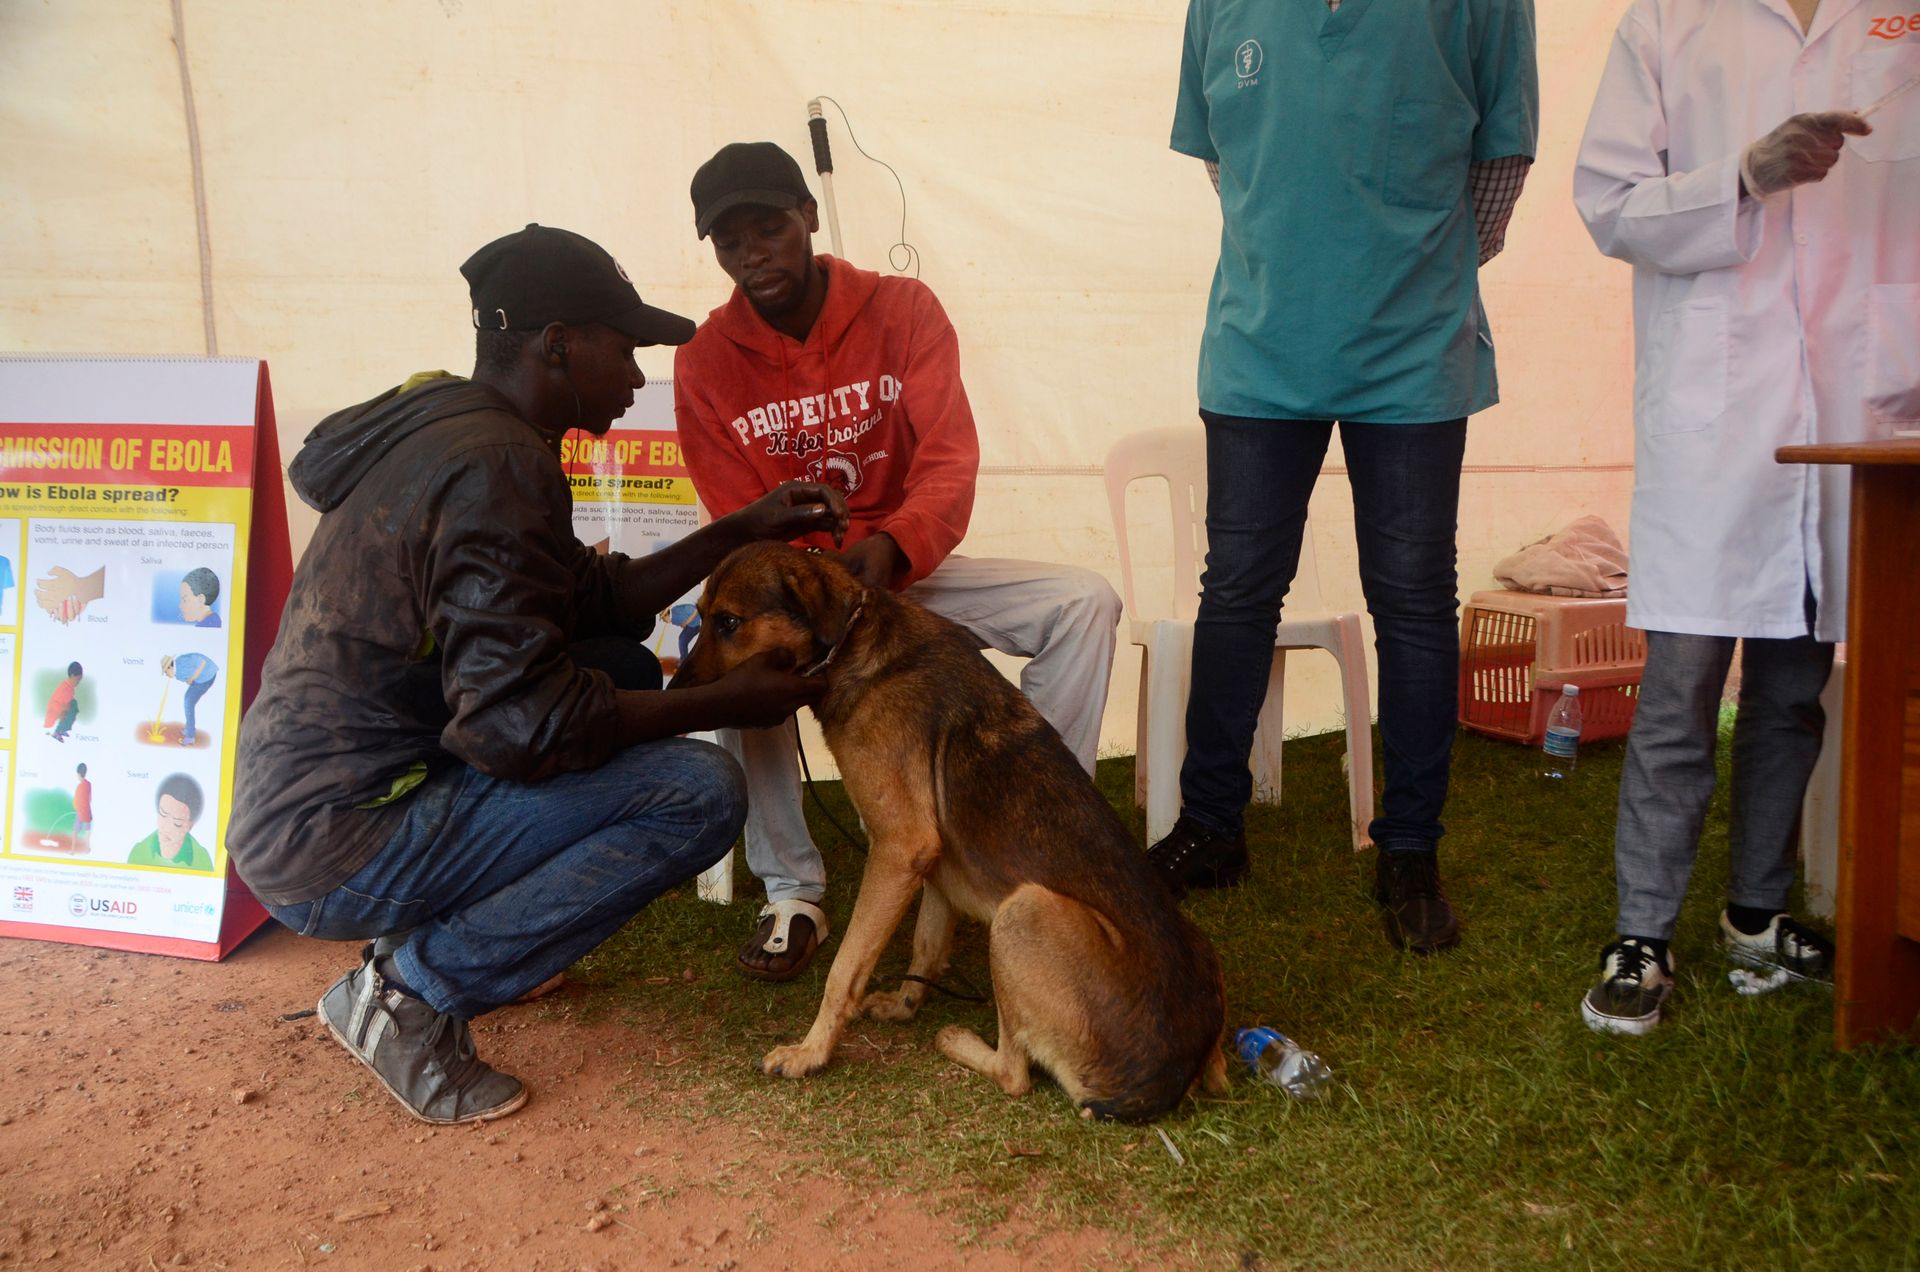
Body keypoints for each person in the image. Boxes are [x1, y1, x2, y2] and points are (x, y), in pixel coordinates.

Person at [228, 223, 852, 1125]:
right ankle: (407, 991)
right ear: (559, 345)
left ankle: (432, 938)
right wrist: (721, 702)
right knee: (697, 791)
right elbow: (520, 728)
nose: (639, 377)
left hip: (297, 807)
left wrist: (741, 528)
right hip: (337, 843)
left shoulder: (454, 424)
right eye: (627, 349)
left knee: (617, 659)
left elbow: (587, 598)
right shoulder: (500, 466)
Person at [673, 141, 1124, 981]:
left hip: (904, 569)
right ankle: (792, 890)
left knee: (1083, 602)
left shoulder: (903, 308)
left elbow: (949, 457)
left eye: (768, 227)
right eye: (729, 242)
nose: (752, 254)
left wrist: (898, 542)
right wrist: (821, 581)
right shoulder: (703, 362)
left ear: (808, 216)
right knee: (735, 659)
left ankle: (1040, 833)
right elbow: (738, 517)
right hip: (803, 591)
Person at [1158, 0, 1539, 953]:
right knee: (1238, 589)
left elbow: (1503, 154)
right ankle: (1211, 827)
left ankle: (1409, 848)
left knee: (1412, 597)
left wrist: (1419, 264)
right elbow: (1225, 163)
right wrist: (1299, 256)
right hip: (1259, 341)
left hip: (1413, 345)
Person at [1571, 0, 1912, 1033]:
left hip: (1858, 390)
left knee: (1798, 682)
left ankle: (1758, 916)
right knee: (1680, 687)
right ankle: (1643, 933)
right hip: (1720, 402)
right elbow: (1609, 205)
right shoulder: (1671, 20)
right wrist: (1740, 180)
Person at [128, 774, 213, 871]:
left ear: (189, 826)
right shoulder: (139, 852)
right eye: (163, 814)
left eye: (177, 823)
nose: (166, 828)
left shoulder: (202, 860)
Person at [160, 653, 217, 745]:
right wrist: (190, 680)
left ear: (169, 667)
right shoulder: (177, 675)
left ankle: (190, 736)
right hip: (200, 679)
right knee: (188, 701)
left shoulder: (182, 661)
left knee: (188, 702)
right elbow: (188, 680)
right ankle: (189, 730)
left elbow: (202, 663)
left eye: (166, 672)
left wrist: (192, 678)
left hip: (207, 675)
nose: (166, 675)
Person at [44, 661, 82, 742]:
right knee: (70, 709)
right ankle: (56, 732)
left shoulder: (70, 687)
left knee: (73, 705)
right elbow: (57, 706)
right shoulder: (65, 688)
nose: (78, 682)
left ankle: (61, 729)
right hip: (54, 712)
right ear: (72, 675)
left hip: (61, 710)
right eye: (78, 679)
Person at [72, 763, 92, 851]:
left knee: (75, 831)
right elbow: (89, 798)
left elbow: (76, 801)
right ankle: (87, 848)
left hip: (80, 812)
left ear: (79, 774)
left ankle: (73, 850)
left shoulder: (79, 787)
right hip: (87, 811)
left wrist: (76, 807)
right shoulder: (89, 784)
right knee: (87, 830)